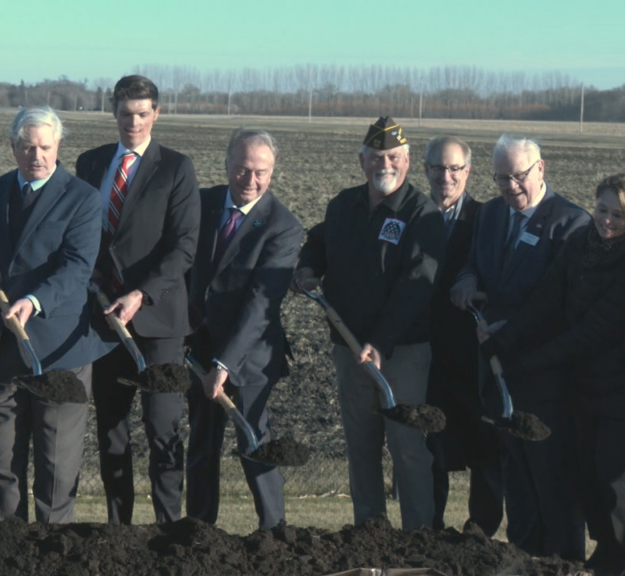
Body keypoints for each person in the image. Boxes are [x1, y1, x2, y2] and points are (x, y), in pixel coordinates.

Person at [293, 116, 445, 531]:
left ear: (408, 161)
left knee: (407, 447)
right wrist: (307, 268)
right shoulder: (343, 205)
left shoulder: (421, 213)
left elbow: (417, 285)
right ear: (362, 161)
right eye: (376, 157)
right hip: (348, 349)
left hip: (402, 354)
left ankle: (418, 536)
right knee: (361, 447)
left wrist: (381, 342)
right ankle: (370, 532)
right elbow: (318, 242)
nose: (385, 165)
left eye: (393, 157)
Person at [450, 134, 590, 560]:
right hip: (496, 370)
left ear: (541, 168)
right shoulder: (490, 214)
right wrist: (468, 279)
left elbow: (566, 305)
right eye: (500, 178)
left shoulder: (571, 224)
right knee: (517, 477)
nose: (510, 186)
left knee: (552, 479)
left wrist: (512, 331)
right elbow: (476, 261)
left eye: (519, 176)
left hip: (543, 375)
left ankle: (564, 563)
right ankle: (524, 559)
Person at [480, 174, 625, 575]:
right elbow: (546, 300)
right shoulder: (581, 245)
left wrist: (525, 362)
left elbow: (591, 332)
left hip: (618, 393)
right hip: (583, 388)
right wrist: (504, 339)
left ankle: (616, 557)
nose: (607, 221)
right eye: (602, 210)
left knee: (612, 478)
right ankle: (608, 552)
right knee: (586, 476)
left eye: (619, 215)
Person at [0, 106, 106, 524]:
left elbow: (77, 267)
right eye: (28, 147)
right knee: (3, 460)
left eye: (45, 146)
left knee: (56, 467)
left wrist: (34, 301)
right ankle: (8, 545)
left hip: (59, 346)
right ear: (12, 147)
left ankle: (53, 552)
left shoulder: (82, 197)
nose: (37, 156)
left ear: (58, 145)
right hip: (2, 347)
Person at [76, 75, 200, 525]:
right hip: (105, 321)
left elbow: (184, 246)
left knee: (162, 428)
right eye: (126, 114)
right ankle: (119, 528)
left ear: (156, 114)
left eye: (143, 114)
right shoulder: (90, 163)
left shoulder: (175, 168)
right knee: (111, 431)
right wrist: (98, 291)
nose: (134, 122)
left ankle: (169, 527)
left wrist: (140, 294)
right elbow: (82, 237)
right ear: (113, 112)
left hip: (159, 324)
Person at [185, 128, 303, 530]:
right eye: (242, 170)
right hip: (198, 348)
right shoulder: (199, 204)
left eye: (261, 172)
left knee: (255, 443)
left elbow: (260, 303)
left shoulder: (283, 227)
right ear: (227, 164)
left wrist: (226, 363)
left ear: (273, 172)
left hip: (250, 356)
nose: (250, 181)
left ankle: (274, 531)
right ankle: (200, 530)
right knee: (202, 442)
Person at [422, 136, 503, 536]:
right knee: (431, 442)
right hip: (424, 350)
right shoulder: (412, 216)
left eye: (455, 168)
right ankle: (431, 525)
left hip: (473, 351)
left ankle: (482, 529)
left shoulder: (486, 217)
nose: (446, 176)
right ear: (426, 171)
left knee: (485, 443)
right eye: (438, 167)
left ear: (468, 172)